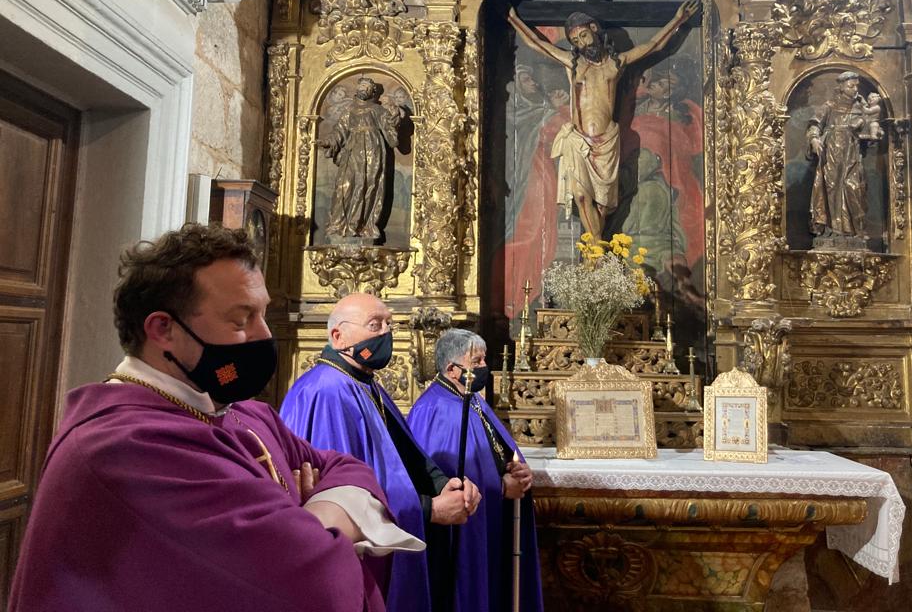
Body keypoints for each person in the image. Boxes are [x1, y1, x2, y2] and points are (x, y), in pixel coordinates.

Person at [9, 224, 422, 611]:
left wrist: (308, 518)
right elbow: (313, 580)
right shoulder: (126, 449)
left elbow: (348, 469)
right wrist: (319, 521)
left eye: (263, 313)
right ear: (162, 329)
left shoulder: (244, 413)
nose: (263, 335)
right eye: (241, 319)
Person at [280, 293, 482, 612]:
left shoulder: (364, 383)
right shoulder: (327, 392)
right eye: (375, 325)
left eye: (390, 324)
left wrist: (443, 485)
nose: (385, 333)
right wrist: (429, 509)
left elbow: (403, 452)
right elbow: (341, 499)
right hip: (356, 564)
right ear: (338, 336)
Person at [507, 0, 699, 239]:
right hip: (578, 142)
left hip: (607, 142)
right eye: (575, 41)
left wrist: (678, 19)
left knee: (603, 206)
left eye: (584, 36)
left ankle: (597, 257)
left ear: (594, 30)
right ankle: (599, 256)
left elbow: (654, 45)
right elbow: (537, 44)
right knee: (580, 196)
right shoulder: (573, 64)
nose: (581, 43)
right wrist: (513, 20)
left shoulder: (615, 64)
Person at [407, 329, 544, 612]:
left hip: (492, 519)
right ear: (451, 369)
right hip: (460, 538)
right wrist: (503, 487)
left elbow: (498, 449)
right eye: (477, 361)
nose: (484, 367)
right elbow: (447, 479)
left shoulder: (472, 400)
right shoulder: (435, 409)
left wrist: (520, 470)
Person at [320, 76, 402, 242]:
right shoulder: (349, 111)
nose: (363, 89)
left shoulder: (377, 110)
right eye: (361, 86)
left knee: (367, 186)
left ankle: (362, 225)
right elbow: (339, 131)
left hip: (373, 150)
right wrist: (328, 141)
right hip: (352, 151)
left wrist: (394, 116)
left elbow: (391, 133)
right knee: (345, 185)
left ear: (372, 92)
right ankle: (338, 225)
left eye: (366, 87)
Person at [806, 71, 874, 239]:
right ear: (841, 87)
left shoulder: (861, 107)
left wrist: (866, 128)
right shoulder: (830, 106)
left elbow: (871, 129)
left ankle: (856, 230)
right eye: (851, 86)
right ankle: (833, 229)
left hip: (852, 154)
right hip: (832, 153)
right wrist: (814, 139)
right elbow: (815, 125)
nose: (855, 89)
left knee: (854, 187)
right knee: (831, 187)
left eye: (856, 85)